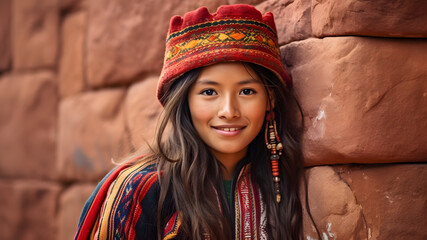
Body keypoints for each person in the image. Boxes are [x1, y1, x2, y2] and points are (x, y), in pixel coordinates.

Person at [75, 4, 304, 240]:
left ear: (271, 99)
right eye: (209, 92)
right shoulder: (138, 189)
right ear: (184, 101)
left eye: (246, 91)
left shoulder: (279, 184)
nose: (229, 111)